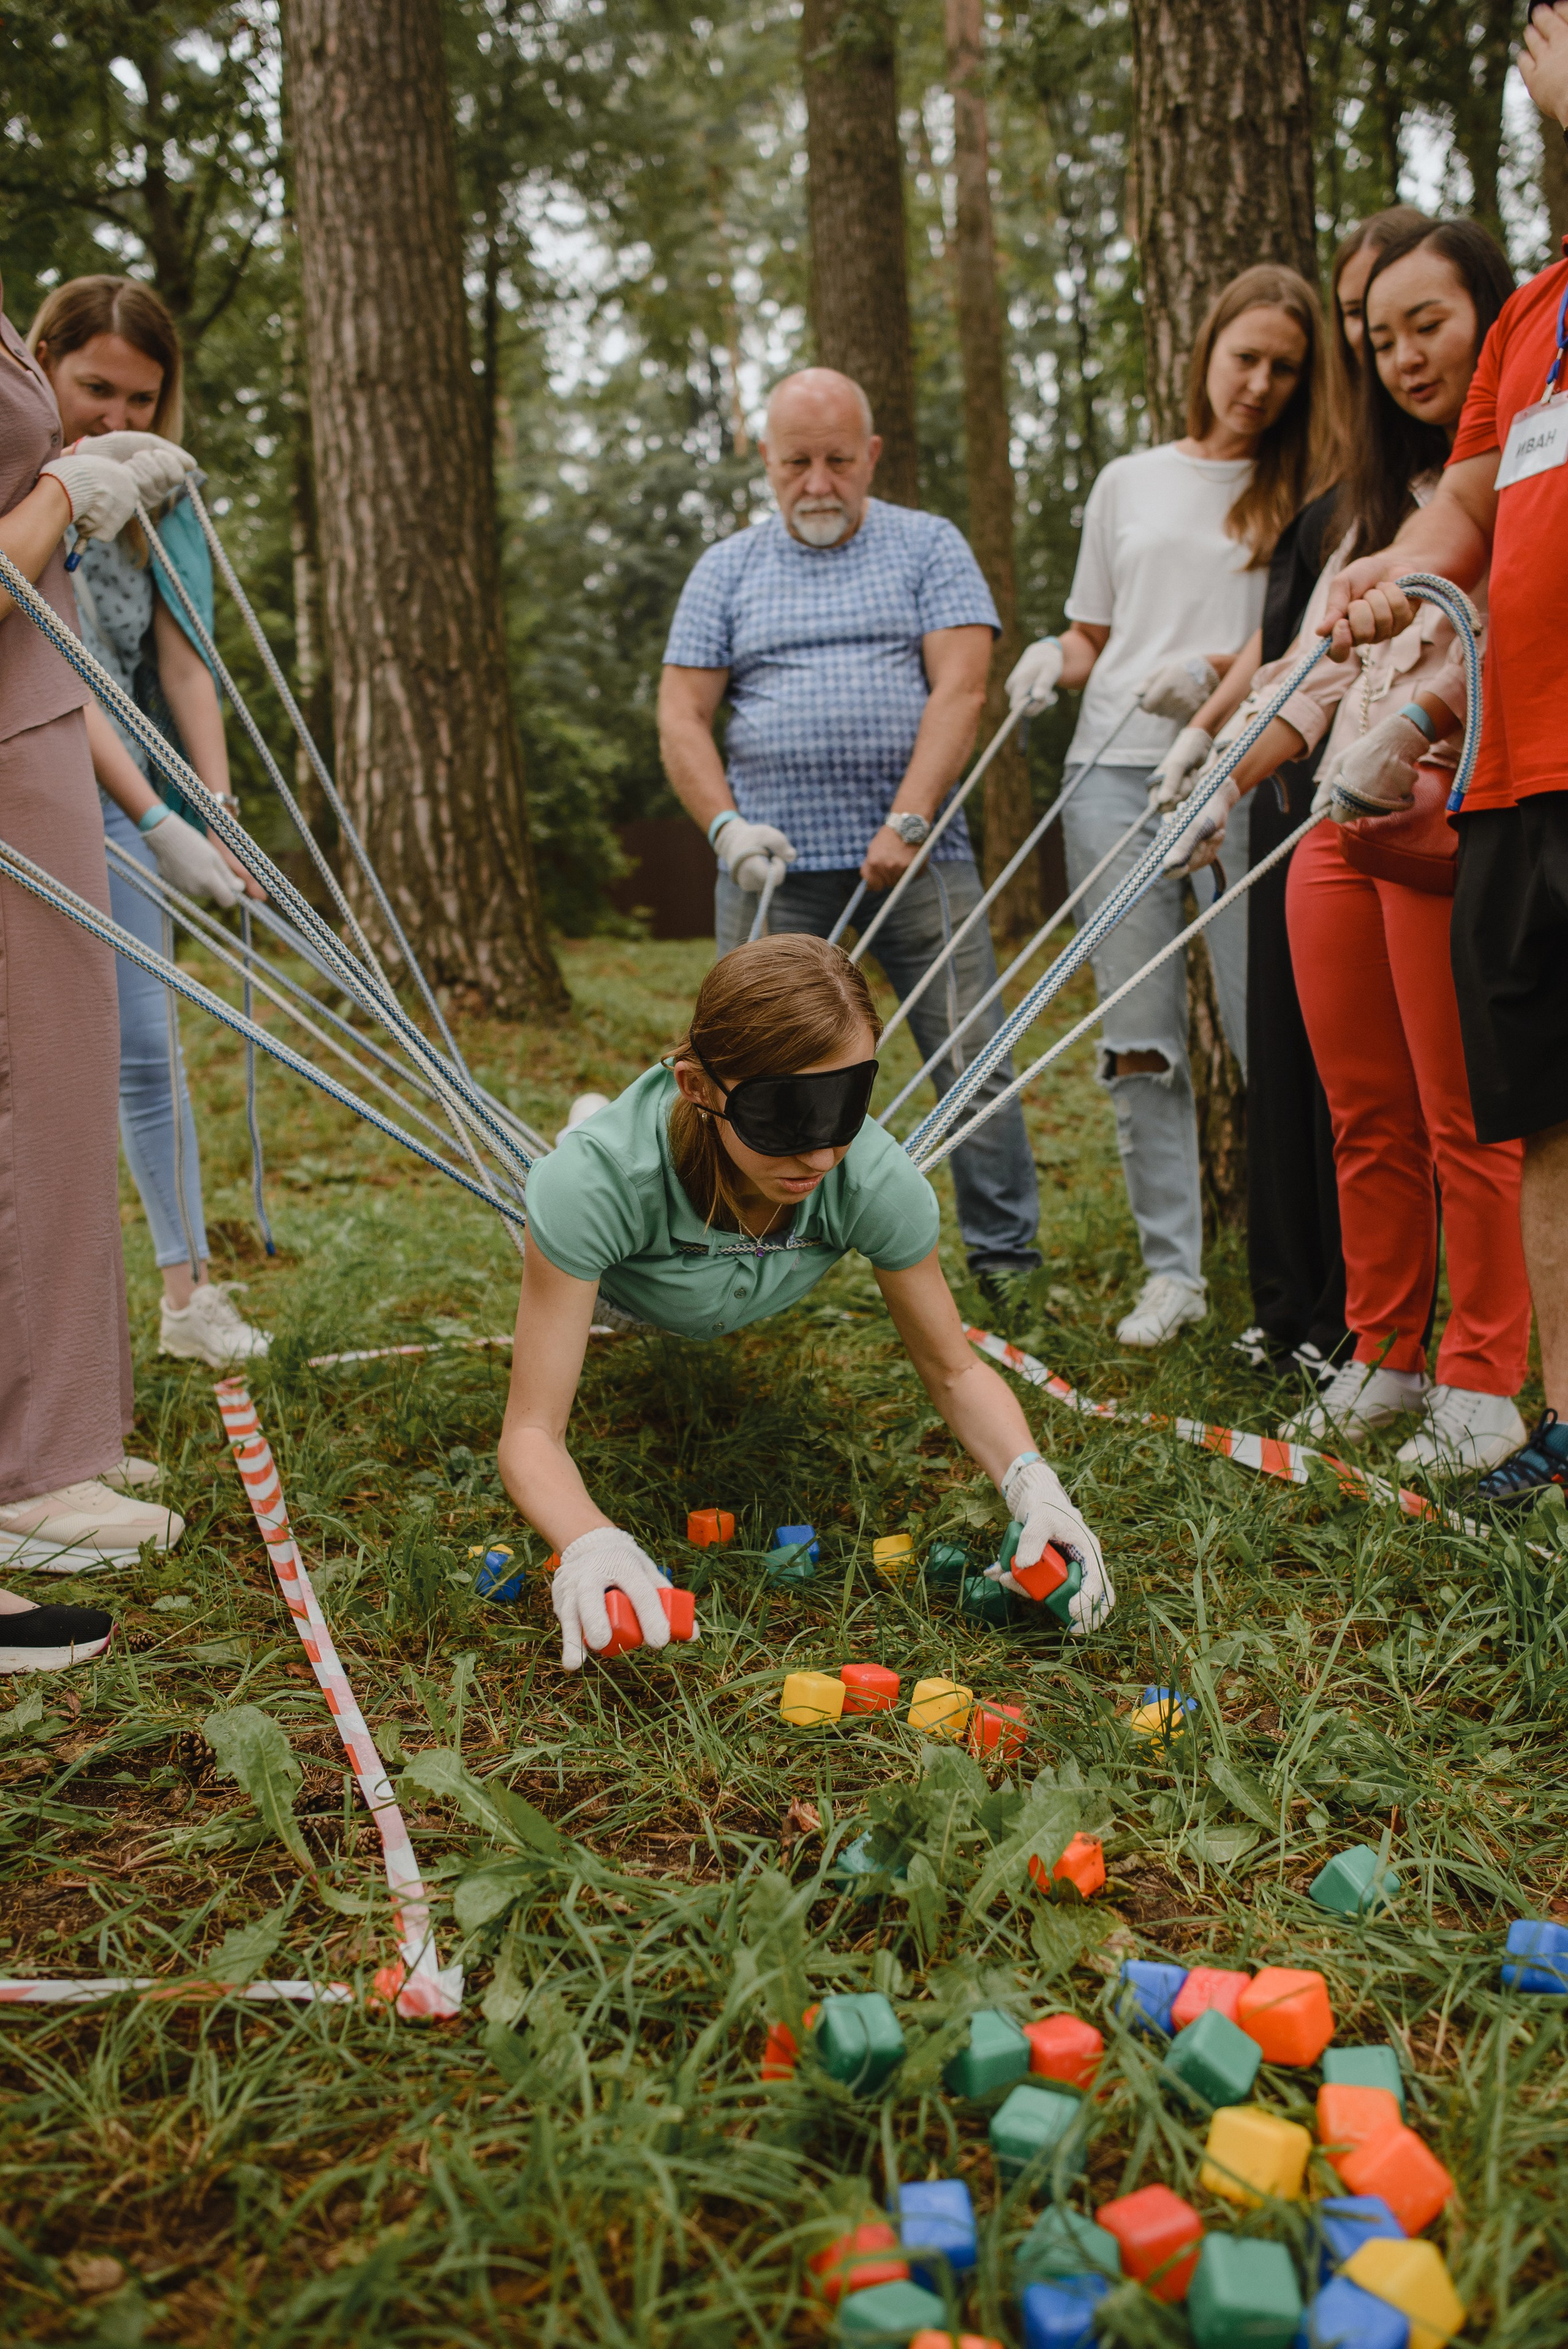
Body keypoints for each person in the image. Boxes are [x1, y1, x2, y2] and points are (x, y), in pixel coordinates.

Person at [1168, 218, 1528, 1475]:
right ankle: (1383, 1353)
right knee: (1361, 1112)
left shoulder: (1515, 485)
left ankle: (1485, 1378)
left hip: (1441, 821)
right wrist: (1222, 775)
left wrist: (1419, 733)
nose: (1405, 357)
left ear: (1492, 315)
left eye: (1427, 324)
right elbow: (1315, 683)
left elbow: (1502, 650)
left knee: (1460, 1115)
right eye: (1379, 340)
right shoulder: (1369, 508)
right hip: (1333, 822)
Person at [498, 934, 1112, 1667]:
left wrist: (1035, 1487)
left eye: (843, 1105)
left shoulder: (872, 1181)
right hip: (627, 1283)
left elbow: (955, 1370)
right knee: (560, 1180)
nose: (819, 1156)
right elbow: (531, 1432)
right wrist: (590, 1538)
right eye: (783, 1117)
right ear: (697, 1087)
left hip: (740, 1279)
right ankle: (582, 1121)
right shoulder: (590, 1189)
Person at [1317, 2, 1568, 1508]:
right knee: (1541, 1120)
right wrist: (1395, 579)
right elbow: (1460, 509)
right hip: (1513, 775)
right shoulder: (1530, 315)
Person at [657, 368, 1043, 1309]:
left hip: (920, 862)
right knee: (746, 1069)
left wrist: (907, 821)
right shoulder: (727, 567)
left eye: (838, 460)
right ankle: (736, 1253)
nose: (819, 482)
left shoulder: (929, 544)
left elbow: (961, 687)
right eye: (798, 461)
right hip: (770, 874)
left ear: (871, 456)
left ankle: (1006, 1263)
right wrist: (726, 829)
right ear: (767, 462)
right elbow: (681, 713)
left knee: (973, 1054)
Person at [1005, 264, 1330, 1347]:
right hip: (1109, 770)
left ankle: (1303, 1283)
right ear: (1206, 355)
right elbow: (1094, 631)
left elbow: (1290, 631)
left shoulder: (1309, 486)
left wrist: (1210, 677)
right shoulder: (1127, 480)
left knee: (1266, 1032)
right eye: (1246, 359)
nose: (1261, 385)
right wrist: (1054, 657)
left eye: (1285, 368)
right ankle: (1173, 1276)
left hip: (1245, 771)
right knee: (1140, 1040)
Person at [1178, 209, 1430, 1383]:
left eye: (1395, 320)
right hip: (1298, 780)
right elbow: (1295, 651)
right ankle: (1309, 1318)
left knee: (1394, 1089)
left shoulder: (1404, 494)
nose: (1374, 345)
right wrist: (1217, 745)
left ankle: (1386, 1334)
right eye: (1360, 322)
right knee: (1298, 1067)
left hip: (1392, 796)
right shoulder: (1341, 503)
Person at [30, 277, 270, 1372]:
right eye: (94, 390)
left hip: (124, 792)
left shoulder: (160, 489)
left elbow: (182, 660)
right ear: (41, 363)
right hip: (35, 776)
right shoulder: (27, 486)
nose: (115, 421)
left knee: (144, 1042)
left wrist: (210, 812)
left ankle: (185, 1296)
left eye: (140, 399)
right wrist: (151, 813)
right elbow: (48, 667)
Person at [0, 270, 185, 1643]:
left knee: (59, 1102)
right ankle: (27, 1468)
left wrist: (163, 816)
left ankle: (61, 1428)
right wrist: (69, 486)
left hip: (39, 737)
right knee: (28, 1101)